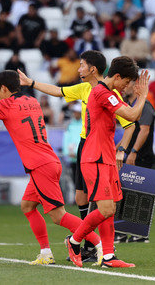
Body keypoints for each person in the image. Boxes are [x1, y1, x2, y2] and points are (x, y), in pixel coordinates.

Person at [0, 70, 102, 266]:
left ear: (4, 88)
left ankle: (101, 246)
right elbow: (15, 121)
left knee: (59, 216)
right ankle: (46, 253)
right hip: (49, 161)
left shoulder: (4, 105)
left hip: (40, 166)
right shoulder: (32, 101)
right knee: (28, 206)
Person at [17, 50, 136, 262]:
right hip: (88, 146)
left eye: (81, 65)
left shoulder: (110, 93)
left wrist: (122, 149)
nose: (78, 68)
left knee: (105, 205)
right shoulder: (85, 89)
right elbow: (57, 91)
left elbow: (130, 124)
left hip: (102, 149)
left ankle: (90, 244)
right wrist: (32, 82)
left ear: (92, 69)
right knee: (83, 198)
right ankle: (90, 243)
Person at [66, 58, 149, 268]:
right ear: (118, 76)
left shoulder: (112, 94)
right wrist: (143, 96)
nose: (128, 86)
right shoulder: (102, 93)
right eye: (128, 82)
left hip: (106, 157)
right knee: (105, 209)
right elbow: (132, 114)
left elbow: (131, 120)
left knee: (110, 208)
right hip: (95, 157)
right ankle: (74, 241)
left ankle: (109, 257)